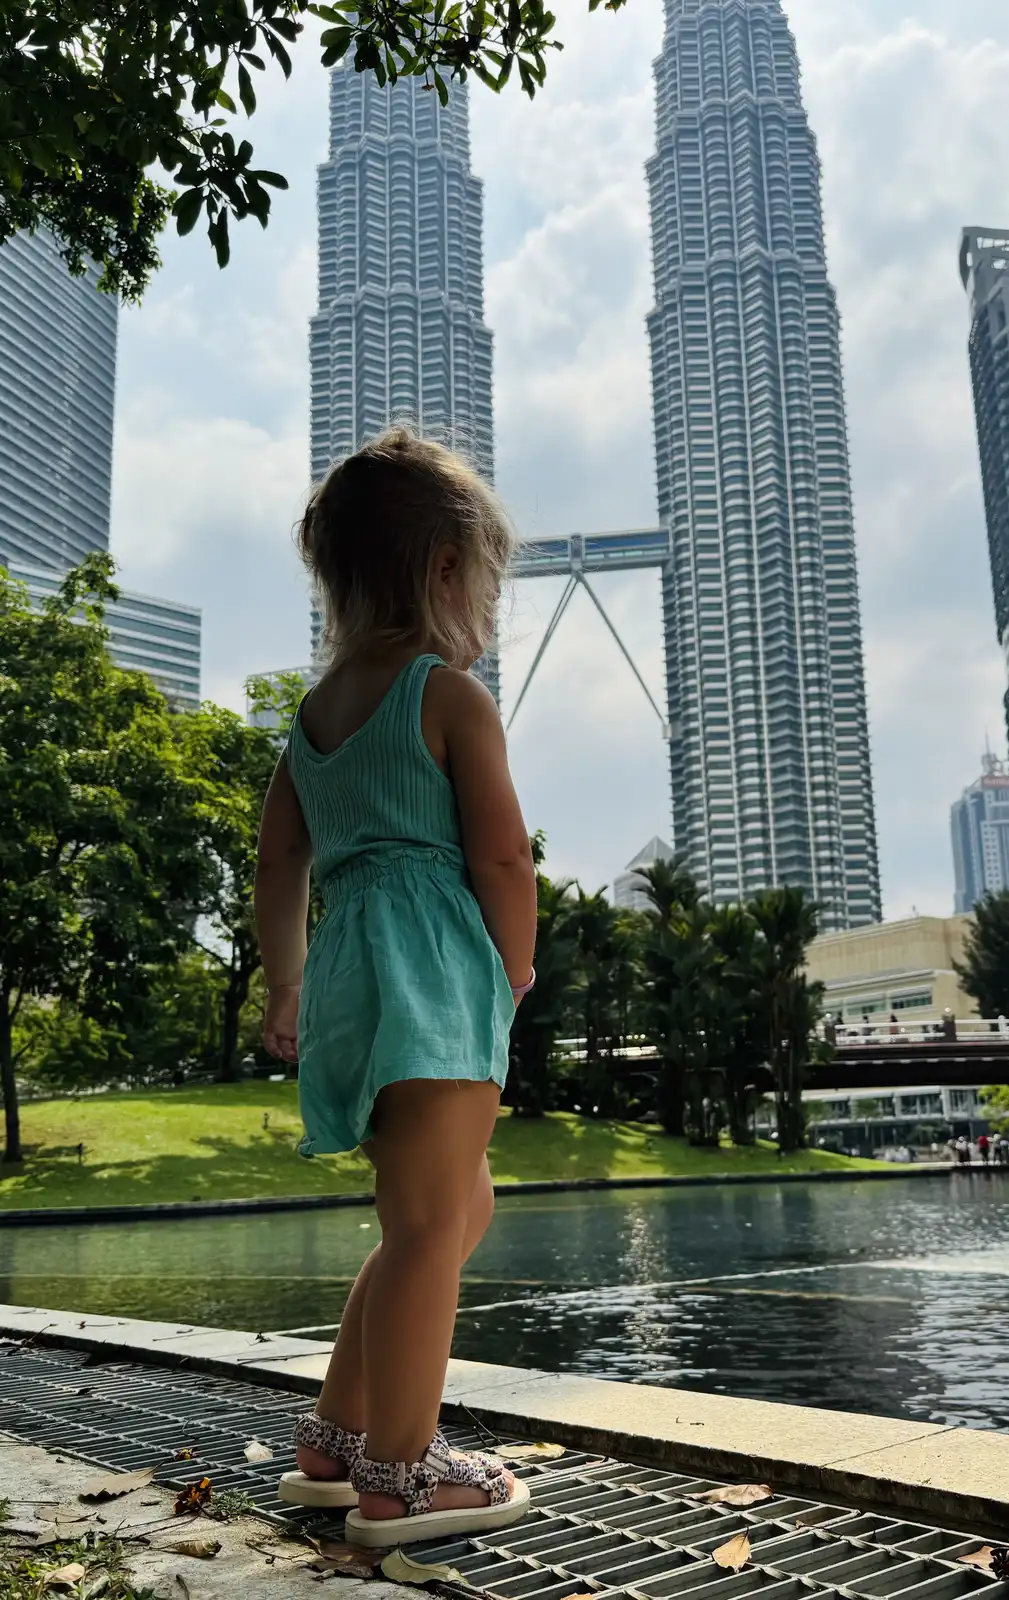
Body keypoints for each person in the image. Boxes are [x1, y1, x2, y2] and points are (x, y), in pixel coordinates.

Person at [254, 427, 536, 1549]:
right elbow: (503, 857)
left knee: (452, 1208)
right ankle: (404, 1473)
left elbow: (280, 859)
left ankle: (338, 1435)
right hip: (433, 968)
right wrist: (511, 962)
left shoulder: (316, 715)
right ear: (445, 571)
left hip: (354, 974)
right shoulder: (447, 696)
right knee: (431, 1224)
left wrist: (287, 981)